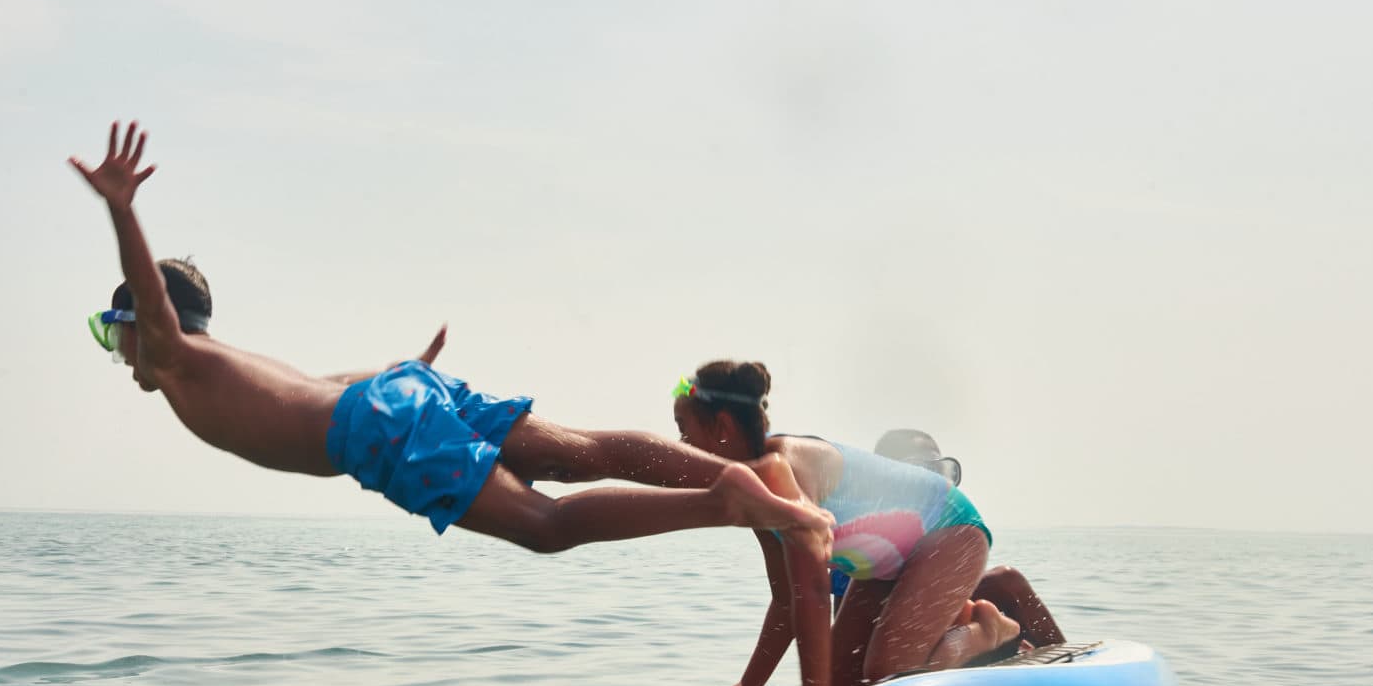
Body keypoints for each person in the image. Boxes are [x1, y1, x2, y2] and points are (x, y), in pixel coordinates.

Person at [70, 122, 834, 555]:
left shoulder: (175, 362)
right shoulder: (226, 363)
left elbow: (161, 326)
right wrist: (409, 370)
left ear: (140, 321)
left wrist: (121, 211)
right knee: (584, 454)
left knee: (547, 527)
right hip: (394, 391)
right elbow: (319, 385)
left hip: (378, 427)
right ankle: (740, 480)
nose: (121, 351)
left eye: (116, 330)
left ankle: (726, 498)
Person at [672, 361, 1015, 686]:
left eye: (683, 430)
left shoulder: (786, 463)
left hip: (948, 528)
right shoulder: (755, 493)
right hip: (884, 560)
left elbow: (814, 592)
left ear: (722, 427)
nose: (681, 445)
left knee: (887, 674)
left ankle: (984, 631)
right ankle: (954, 622)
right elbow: (787, 599)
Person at [872, 428, 1066, 649]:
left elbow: (950, 594)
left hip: (938, 614)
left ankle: (1070, 663)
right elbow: (849, 622)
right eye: (919, 470)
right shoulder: (863, 534)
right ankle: (987, 635)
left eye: (940, 470)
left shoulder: (944, 526)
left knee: (1007, 580)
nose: (933, 483)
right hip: (890, 626)